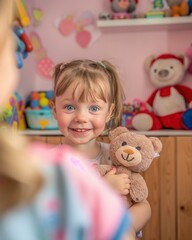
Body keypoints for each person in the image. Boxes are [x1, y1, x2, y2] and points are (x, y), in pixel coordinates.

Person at [52, 59, 152, 239]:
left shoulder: (116, 156)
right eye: (69, 107)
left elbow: (143, 206)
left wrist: (124, 227)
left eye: (94, 108)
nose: (81, 117)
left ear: (109, 113)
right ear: (54, 110)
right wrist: (102, 187)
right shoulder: (50, 162)